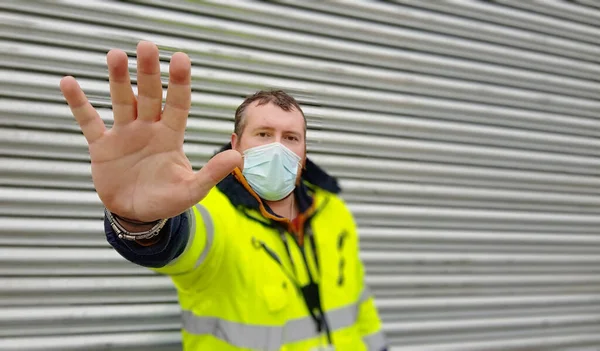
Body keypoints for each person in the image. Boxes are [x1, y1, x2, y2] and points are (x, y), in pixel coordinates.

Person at [60, 40, 387, 351]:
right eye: (263, 134)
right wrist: (140, 219)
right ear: (236, 143)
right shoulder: (210, 210)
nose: (277, 148)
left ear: (305, 150)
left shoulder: (333, 210)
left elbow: (361, 304)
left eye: (290, 137)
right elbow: (179, 241)